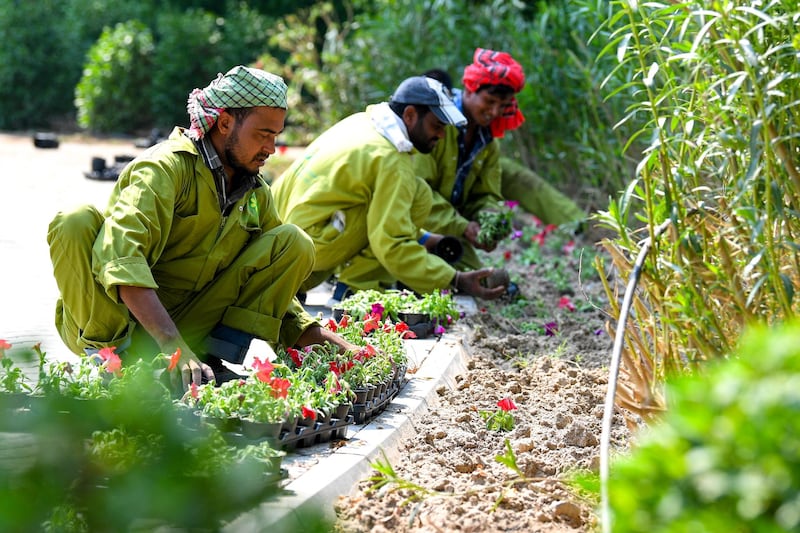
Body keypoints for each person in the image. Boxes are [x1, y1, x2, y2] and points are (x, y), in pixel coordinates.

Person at [47, 65, 356, 391]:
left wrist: (333, 345)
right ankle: (114, 364)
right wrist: (172, 346)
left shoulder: (255, 192)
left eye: (275, 136)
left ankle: (208, 359)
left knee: (293, 242)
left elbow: (273, 284)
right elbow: (122, 259)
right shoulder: (165, 169)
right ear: (225, 123)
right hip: (122, 320)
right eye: (262, 134)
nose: (270, 148)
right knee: (74, 220)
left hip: (188, 327)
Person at [271, 76, 507, 302]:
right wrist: (455, 279)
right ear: (411, 115)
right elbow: (391, 243)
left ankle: (296, 282)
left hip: (279, 236)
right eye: (437, 126)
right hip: (307, 247)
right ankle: (357, 290)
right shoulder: (392, 159)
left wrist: (423, 239)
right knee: (410, 204)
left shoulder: (362, 122)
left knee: (414, 193)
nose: (441, 135)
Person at [417, 50, 585, 271]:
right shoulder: (438, 126)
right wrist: (463, 226)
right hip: (413, 222)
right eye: (489, 101)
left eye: (502, 105)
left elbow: (485, 194)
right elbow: (417, 192)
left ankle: (580, 224)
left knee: (477, 278)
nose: (494, 111)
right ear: (469, 89)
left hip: (446, 224)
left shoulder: (487, 141)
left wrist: (490, 218)